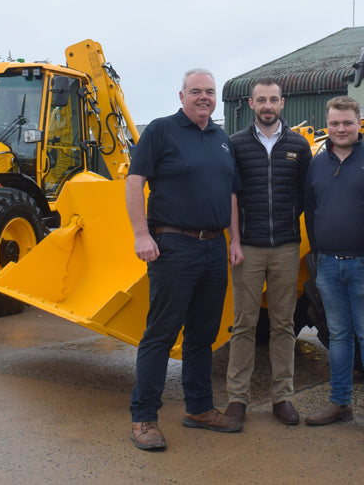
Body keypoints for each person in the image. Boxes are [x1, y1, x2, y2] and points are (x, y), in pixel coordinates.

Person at [126, 68, 245, 451]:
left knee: (202, 335)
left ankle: (199, 409)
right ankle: (144, 417)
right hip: (174, 245)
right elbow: (135, 181)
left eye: (209, 91)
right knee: (161, 334)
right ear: (182, 96)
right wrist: (141, 234)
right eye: (196, 91)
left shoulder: (221, 139)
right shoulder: (161, 131)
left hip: (213, 248)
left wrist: (234, 240)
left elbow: (230, 194)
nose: (204, 97)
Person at [224, 79, 312, 426]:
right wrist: (234, 240)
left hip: (286, 248)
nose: (267, 105)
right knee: (244, 324)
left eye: (273, 99)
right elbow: (230, 195)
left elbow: (304, 194)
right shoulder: (236, 145)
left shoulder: (298, 146)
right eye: (261, 100)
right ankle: (237, 399)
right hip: (247, 248)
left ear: (282, 103)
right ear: (251, 104)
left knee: (283, 325)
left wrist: (289, 223)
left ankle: (283, 397)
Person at [303, 96, 364, 434]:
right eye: (334, 124)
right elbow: (311, 210)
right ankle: (340, 402)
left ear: (359, 124)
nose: (341, 129)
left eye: (347, 123)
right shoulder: (316, 164)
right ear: (327, 125)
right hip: (328, 264)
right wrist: (319, 252)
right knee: (338, 336)